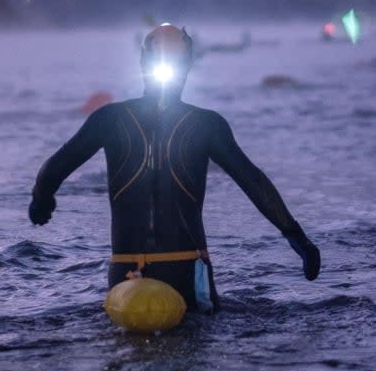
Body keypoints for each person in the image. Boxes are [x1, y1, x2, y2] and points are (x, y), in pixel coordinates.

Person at [29, 23, 320, 312]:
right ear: (189, 64)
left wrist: (42, 201)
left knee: (127, 351)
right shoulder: (208, 124)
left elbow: (55, 168)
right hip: (187, 269)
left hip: (127, 276)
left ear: (143, 60)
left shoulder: (108, 119)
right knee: (195, 346)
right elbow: (252, 180)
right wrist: (296, 237)